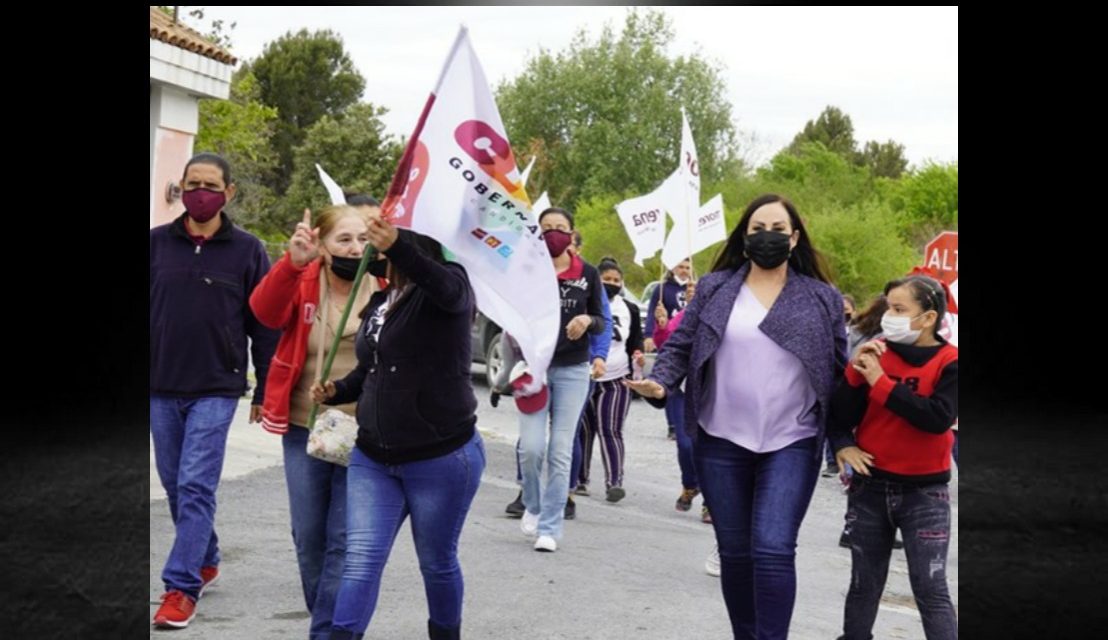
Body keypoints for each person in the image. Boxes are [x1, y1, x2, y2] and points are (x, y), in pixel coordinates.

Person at [627, 194, 848, 639]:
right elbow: (682, 344)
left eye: (778, 229)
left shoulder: (820, 297)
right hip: (721, 439)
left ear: (795, 236)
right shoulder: (716, 287)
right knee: (735, 552)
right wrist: (661, 383)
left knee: (772, 548)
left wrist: (847, 434)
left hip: (793, 439)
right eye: (757, 228)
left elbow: (838, 372)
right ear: (744, 237)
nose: (768, 236)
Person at [312, 213, 485, 640]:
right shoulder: (380, 301)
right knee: (361, 559)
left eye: (378, 243)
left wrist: (399, 245)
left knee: (436, 562)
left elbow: (448, 290)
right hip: (373, 457)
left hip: (441, 457)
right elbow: (372, 370)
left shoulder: (450, 285)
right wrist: (337, 390)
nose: (365, 250)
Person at [150, 152, 279, 629]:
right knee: (173, 484)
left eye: (210, 184)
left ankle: (180, 588)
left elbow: (264, 323)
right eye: (192, 183)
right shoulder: (156, 244)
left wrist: (266, 386)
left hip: (217, 388)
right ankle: (206, 557)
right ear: (180, 187)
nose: (200, 192)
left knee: (195, 483)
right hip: (159, 386)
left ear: (229, 193)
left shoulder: (248, 250)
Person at [248, 201, 381, 639]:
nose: (355, 247)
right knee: (309, 538)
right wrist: (291, 263)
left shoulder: (383, 284)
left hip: (365, 431)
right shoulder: (304, 280)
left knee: (344, 540)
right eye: (343, 239)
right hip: (307, 426)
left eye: (363, 238)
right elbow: (264, 313)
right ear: (322, 245)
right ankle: (326, 616)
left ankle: (326, 632)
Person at [829, 275, 959, 640]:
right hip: (870, 488)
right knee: (863, 585)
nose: (890, 316)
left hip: (925, 494)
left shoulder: (950, 362)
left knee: (930, 590)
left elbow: (936, 418)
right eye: (889, 307)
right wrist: (843, 440)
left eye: (900, 309)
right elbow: (838, 414)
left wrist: (881, 384)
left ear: (928, 317)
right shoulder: (875, 351)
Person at [516, 207, 606, 552]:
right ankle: (533, 505)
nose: (553, 233)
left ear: (572, 233)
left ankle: (550, 528)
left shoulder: (589, 274)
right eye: (546, 228)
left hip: (572, 370)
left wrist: (586, 320)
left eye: (560, 228)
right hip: (534, 368)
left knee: (560, 449)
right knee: (531, 448)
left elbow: (601, 319)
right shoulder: (525, 272)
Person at [576, 257, 645, 502]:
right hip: (585, 374)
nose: (612, 284)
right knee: (584, 429)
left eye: (617, 280)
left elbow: (635, 339)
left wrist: (638, 354)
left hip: (616, 377)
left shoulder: (630, 309)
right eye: (606, 280)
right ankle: (580, 479)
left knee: (611, 429)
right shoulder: (585, 304)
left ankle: (614, 482)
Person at [651, 282, 712, 524]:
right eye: (690, 291)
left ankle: (711, 502)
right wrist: (662, 325)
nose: (693, 293)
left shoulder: (723, 316)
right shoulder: (683, 316)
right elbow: (666, 344)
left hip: (709, 390)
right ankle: (690, 485)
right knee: (685, 445)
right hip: (682, 388)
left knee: (709, 447)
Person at [643, 258, 694, 440]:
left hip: (690, 341)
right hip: (668, 337)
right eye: (680, 266)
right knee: (669, 382)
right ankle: (673, 424)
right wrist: (649, 334)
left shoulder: (694, 288)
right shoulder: (663, 289)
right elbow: (652, 313)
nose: (684, 270)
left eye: (687, 267)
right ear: (673, 268)